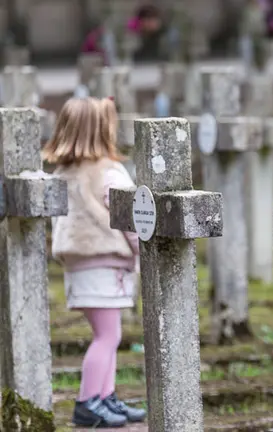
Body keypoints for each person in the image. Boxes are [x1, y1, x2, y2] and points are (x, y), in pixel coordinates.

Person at [44, 98, 146, 428]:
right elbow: (130, 220)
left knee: (107, 334)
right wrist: (142, 255)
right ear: (104, 129)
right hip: (105, 264)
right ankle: (88, 402)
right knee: (107, 337)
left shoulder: (64, 172)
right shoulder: (109, 173)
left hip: (79, 265)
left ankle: (105, 396)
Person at [81, 4, 163, 62]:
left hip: (97, 48)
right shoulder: (131, 27)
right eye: (155, 20)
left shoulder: (134, 27)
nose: (158, 24)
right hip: (94, 48)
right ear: (146, 20)